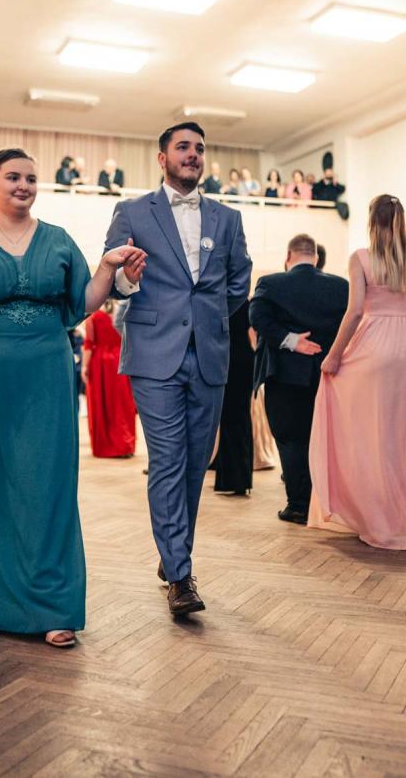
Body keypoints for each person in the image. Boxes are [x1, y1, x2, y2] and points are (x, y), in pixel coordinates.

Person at [0, 148, 145, 647]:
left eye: (30, 178)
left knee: (47, 485)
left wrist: (108, 269)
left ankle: (53, 608)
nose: (23, 185)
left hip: (46, 376)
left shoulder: (59, 239)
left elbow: (79, 305)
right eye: (12, 177)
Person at [103, 121, 253, 616]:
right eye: (183, 147)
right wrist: (128, 281)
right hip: (153, 353)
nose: (193, 154)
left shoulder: (227, 218)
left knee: (194, 462)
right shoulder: (132, 212)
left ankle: (172, 555)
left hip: (209, 354)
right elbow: (113, 280)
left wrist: (207, 320)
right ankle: (181, 575)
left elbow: (238, 281)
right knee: (167, 459)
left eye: (199, 148)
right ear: (162, 158)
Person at [307, 194, 406, 551]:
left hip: (374, 348)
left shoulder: (361, 258)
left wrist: (334, 356)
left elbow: (354, 312)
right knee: (403, 436)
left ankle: (377, 515)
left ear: (371, 222)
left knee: (368, 433)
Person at [250, 233, 348, 524]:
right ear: (316, 257)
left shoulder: (271, 283)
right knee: (326, 439)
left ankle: (298, 505)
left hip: (285, 375)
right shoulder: (341, 287)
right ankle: (324, 501)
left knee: (290, 438)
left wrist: (291, 340)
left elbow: (257, 318)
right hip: (329, 376)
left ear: (288, 256)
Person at [82, 300, 136, 457]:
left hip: (100, 364)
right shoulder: (123, 311)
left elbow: (89, 344)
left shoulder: (94, 316)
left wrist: (84, 367)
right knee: (122, 404)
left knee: (104, 404)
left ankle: (106, 446)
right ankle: (125, 444)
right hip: (121, 361)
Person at [210, 300, 254, 496]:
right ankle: (236, 476)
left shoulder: (221, 302)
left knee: (230, 419)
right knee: (237, 419)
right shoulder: (243, 303)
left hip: (229, 360)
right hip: (242, 359)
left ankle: (235, 478)